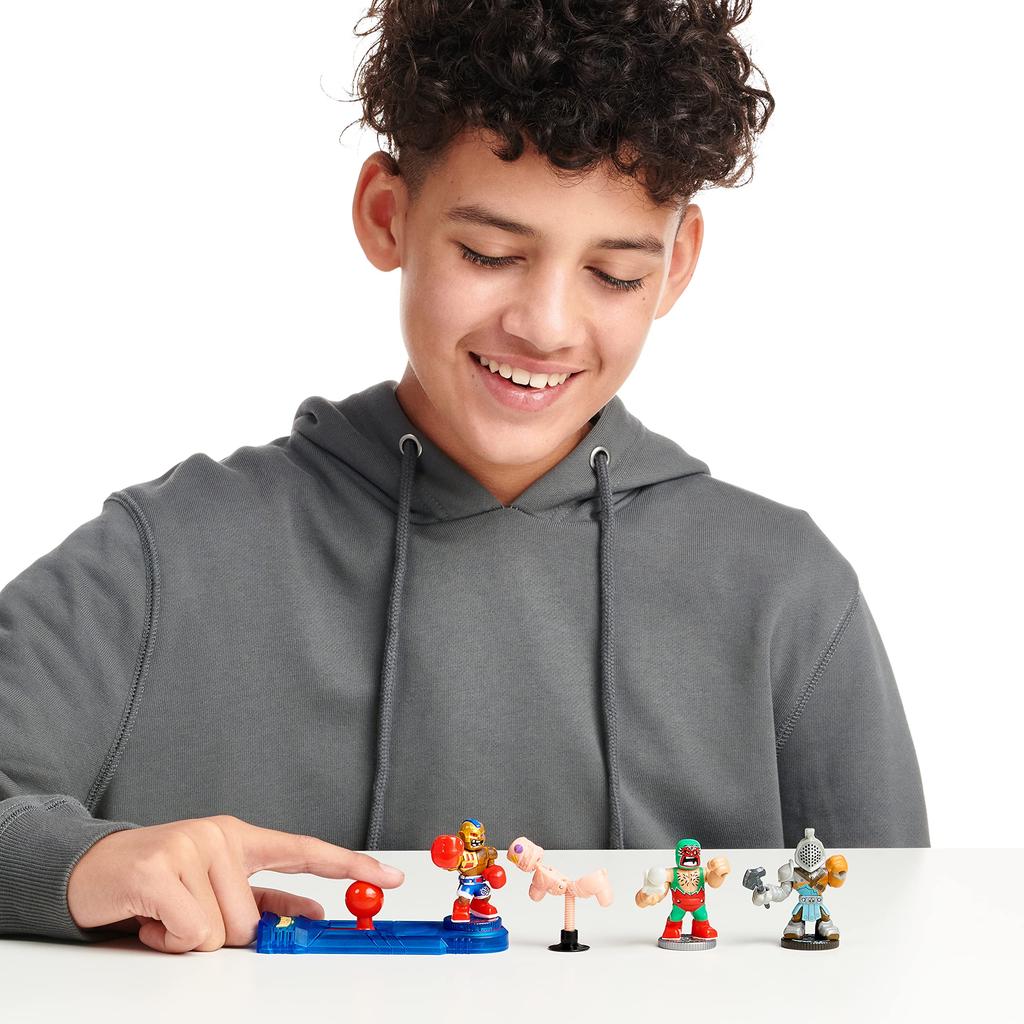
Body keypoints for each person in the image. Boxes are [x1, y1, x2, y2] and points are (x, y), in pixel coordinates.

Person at [0, 0, 929, 954]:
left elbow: (902, 945)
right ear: (387, 216)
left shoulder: (786, 595)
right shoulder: (168, 558)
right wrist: (74, 866)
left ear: (677, 263)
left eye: (614, 273)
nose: (545, 326)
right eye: (489, 254)